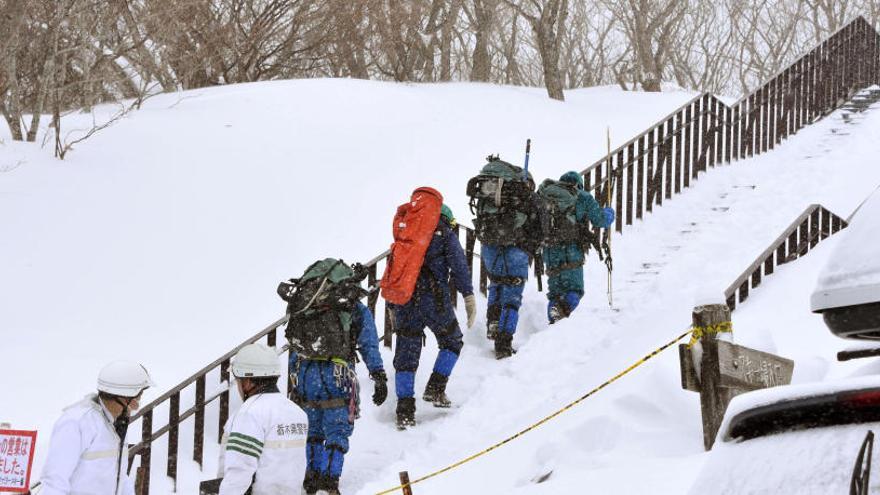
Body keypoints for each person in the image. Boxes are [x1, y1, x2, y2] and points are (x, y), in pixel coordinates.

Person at [282, 259, 387, 495]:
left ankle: (311, 478)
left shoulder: (305, 304)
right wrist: (378, 373)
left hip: (305, 371)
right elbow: (368, 342)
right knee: (337, 428)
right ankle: (330, 481)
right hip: (337, 373)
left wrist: (293, 376)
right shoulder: (351, 306)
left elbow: (294, 344)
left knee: (314, 429)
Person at [391, 204, 476, 429]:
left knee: (406, 357)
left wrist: (392, 304)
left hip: (405, 299)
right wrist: (468, 295)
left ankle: (405, 411)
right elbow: (459, 266)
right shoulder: (445, 235)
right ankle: (436, 389)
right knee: (452, 340)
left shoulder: (405, 233)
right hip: (434, 299)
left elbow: (394, 269)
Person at [40, 361, 153, 495]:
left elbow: (119, 474)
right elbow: (55, 481)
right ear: (121, 397)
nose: (136, 407)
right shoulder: (77, 423)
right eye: (136, 399)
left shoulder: (116, 424)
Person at [468, 155, 543, 359]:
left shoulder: (488, 198)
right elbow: (539, 227)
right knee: (512, 296)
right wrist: (533, 246)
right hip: (516, 250)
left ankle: (493, 322)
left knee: (496, 284)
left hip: (490, 248)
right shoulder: (526, 198)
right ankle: (504, 342)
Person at [218, 343, 307, 495]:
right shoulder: (296, 412)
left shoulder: (249, 413)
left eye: (238, 380)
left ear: (247, 381)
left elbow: (239, 471)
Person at [542, 171, 614, 323]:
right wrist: (610, 212)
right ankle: (559, 315)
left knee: (555, 294)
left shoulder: (546, 194)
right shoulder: (582, 197)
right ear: (578, 184)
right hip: (571, 251)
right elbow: (600, 220)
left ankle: (554, 322)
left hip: (549, 250)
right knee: (575, 290)